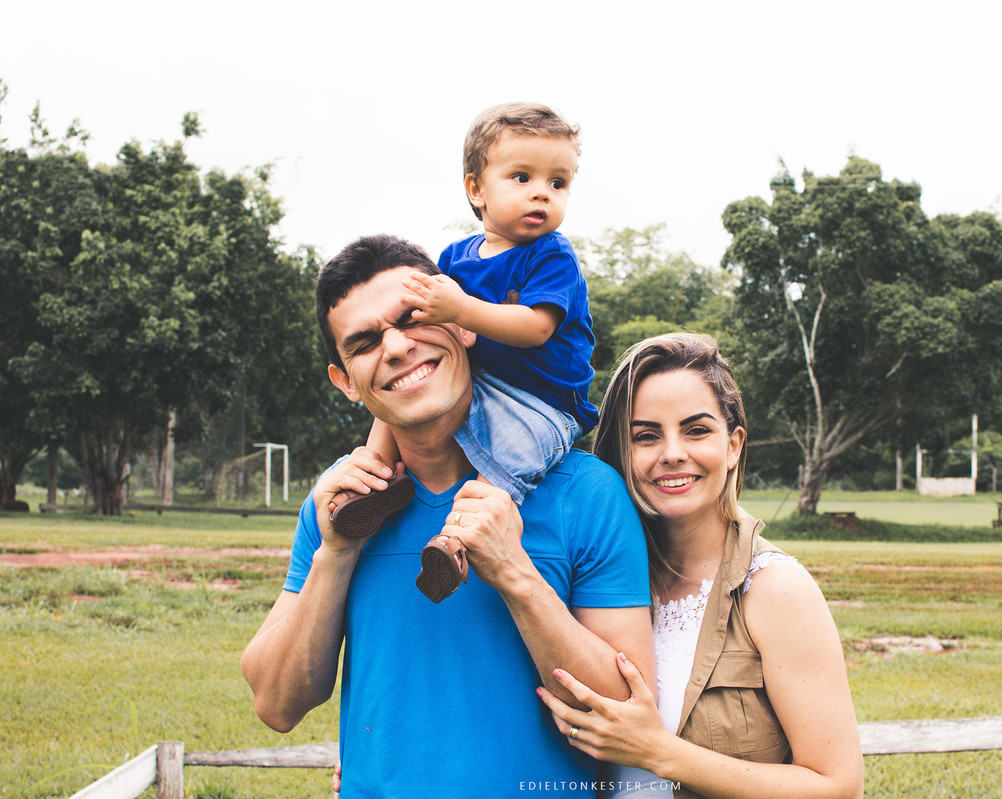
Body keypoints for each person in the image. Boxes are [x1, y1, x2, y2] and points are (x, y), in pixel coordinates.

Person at [240, 235, 653, 797]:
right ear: (346, 382)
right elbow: (276, 703)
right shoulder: (341, 502)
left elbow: (628, 715)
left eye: (412, 318)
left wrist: (514, 573)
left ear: (463, 323)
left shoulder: (587, 493)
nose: (395, 348)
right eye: (363, 343)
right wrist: (335, 552)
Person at [537, 333, 864, 799]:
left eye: (696, 430)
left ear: (733, 446)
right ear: (620, 454)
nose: (672, 452)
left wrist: (658, 752)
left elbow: (838, 786)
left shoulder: (775, 590)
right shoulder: (593, 582)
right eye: (646, 436)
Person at [336, 102, 596, 603]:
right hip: (480, 379)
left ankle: (454, 544)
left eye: (558, 182)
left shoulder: (551, 256)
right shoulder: (456, 257)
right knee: (400, 396)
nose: (542, 191)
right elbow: (435, 317)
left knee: (507, 461)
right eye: (521, 177)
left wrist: (462, 309)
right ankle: (373, 479)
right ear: (476, 188)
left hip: (543, 401)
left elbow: (537, 327)